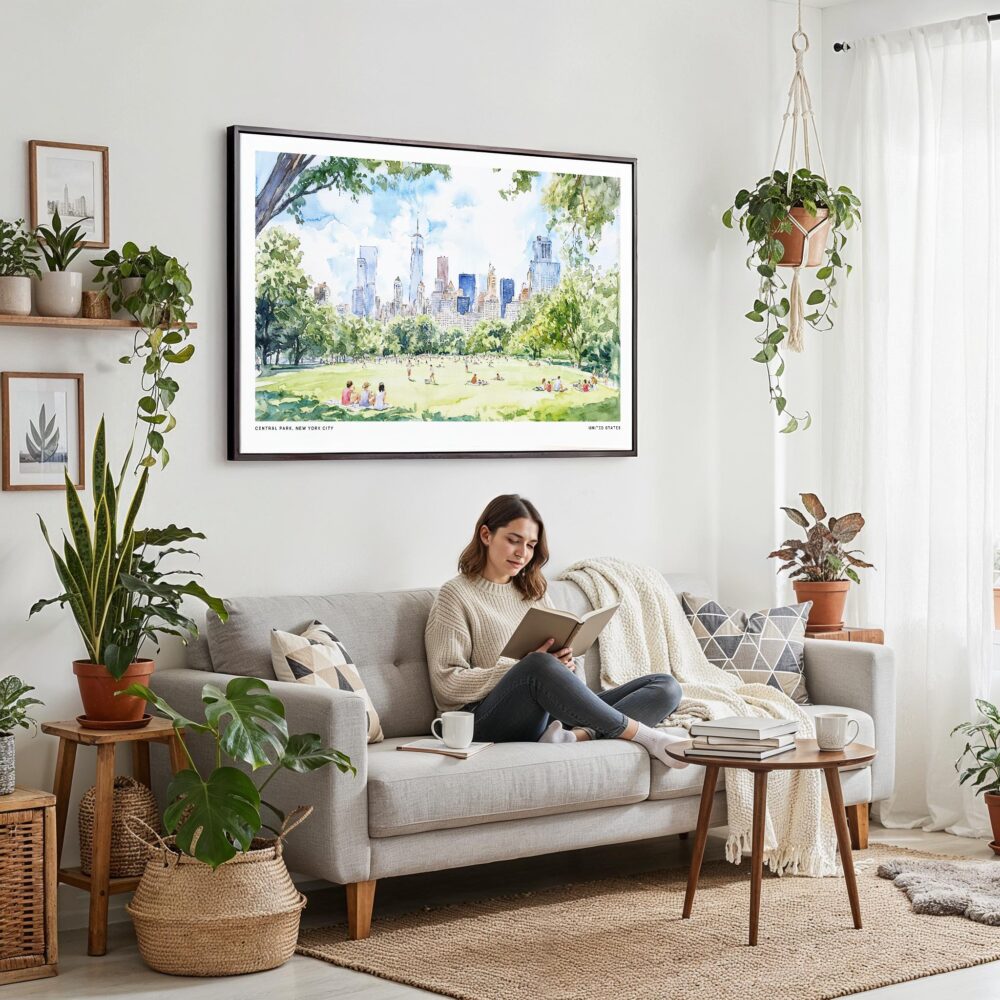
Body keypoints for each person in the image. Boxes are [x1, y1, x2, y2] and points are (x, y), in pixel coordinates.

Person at [424, 495, 687, 764]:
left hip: (547, 714)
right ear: (486, 535)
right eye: (513, 540)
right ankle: (648, 738)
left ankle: (576, 737)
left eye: (530, 545)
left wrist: (567, 666)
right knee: (537, 664)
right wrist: (519, 668)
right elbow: (447, 684)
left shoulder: (532, 592)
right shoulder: (455, 595)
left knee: (666, 687)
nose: (522, 553)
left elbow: (562, 673)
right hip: (483, 722)